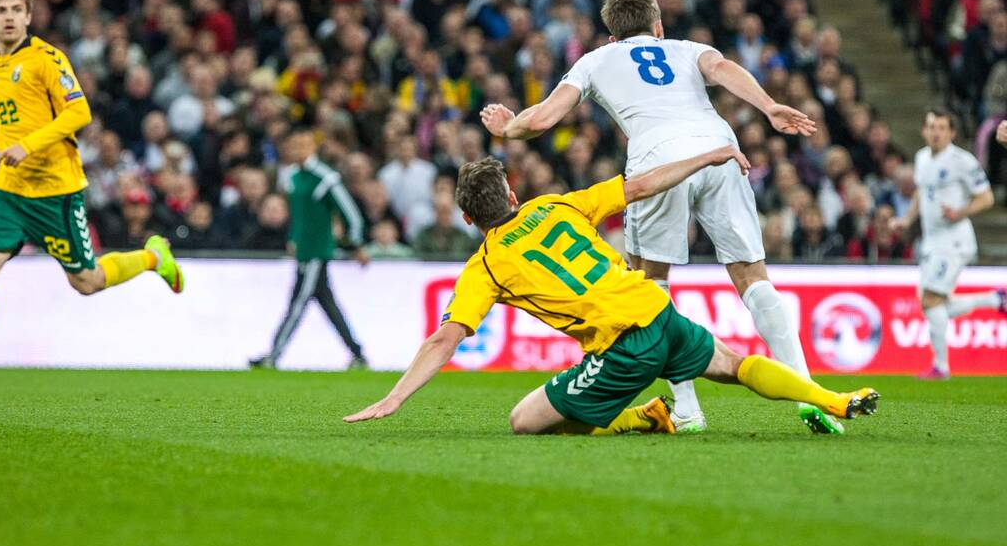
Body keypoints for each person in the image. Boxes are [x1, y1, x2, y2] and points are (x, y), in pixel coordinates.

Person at [481, 0, 840, 434]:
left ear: (612, 37)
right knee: (753, 278)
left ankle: (687, 410)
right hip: (719, 148)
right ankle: (811, 396)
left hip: (657, 161)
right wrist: (768, 107)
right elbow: (723, 68)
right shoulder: (686, 49)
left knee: (650, 287)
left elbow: (541, 120)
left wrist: (506, 128)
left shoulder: (596, 60)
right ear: (658, 27)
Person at [344, 151, 880, 433]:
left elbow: (446, 339)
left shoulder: (484, 266)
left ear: (466, 218)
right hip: (657, 307)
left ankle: (643, 417)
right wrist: (705, 157)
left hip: (623, 345)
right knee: (734, 365)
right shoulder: (554, 205)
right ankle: (832, 398)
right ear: (512, 192)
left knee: (525, 422)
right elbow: (641, 185)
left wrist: (394, 396)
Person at [0, 0, 183, 394]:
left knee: (88, 282)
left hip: (55, 193)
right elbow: (11, 125)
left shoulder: (48, 58)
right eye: (1, 11)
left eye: (16, 10)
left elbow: (78, 110)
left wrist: (28, 146)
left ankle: (155, 257)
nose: (9, 18)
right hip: (10, 192)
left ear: (28, 16)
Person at [890, 110, 1005, 379]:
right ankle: (994, 299)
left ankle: (940, 367)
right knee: (932, 303)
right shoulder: (921, 158)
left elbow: (986, 198)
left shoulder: (962, 161)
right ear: (924, 130)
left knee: (931, 300)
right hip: (932, 241)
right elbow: (921, 192)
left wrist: (960, 212)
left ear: (952, 133)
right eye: (931, 127)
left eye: (941, 127)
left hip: (954, 240)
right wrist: (907, 221)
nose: (936, 132)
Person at [250, 129, 370, 370]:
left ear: (313, 147)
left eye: (303, 144)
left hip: (317, 251)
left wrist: (354, 245)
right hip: (303, 251)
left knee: (297, 302)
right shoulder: (292, 176)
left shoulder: (325, 178)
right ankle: (357, 354)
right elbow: (297, 216)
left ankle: (273, 355)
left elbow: (351, 215)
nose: (298, 150)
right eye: (294, 145)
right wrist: (293, 238)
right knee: (328, 305)